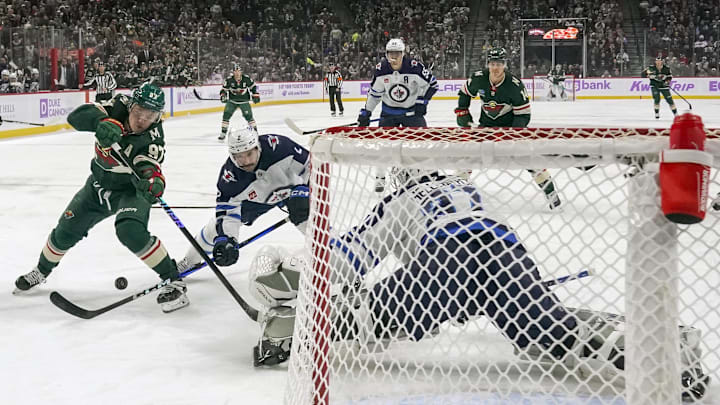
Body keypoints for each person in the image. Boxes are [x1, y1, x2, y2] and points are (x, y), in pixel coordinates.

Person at [323, 168, 708, 396]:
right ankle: (666, 357)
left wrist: (320, 282)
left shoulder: (401, 198)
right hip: (507, 255)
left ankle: (301, 329)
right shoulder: (467, 187)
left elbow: (355, 254)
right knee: (555, 332)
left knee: (362, 319)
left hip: (445, 261)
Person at [13, 82, 189, 313]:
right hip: (97, 185)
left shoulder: (153, 137)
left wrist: (153, 181)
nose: (142, 120)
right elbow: (76, 117)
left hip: (129, 191)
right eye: (139, 112)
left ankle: (173, 280)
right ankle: (41, 271)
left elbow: (149, 167)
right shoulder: (117, 106)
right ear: (131, 106)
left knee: (130, 231)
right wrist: (101, 122)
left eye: (150, 115)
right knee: (65, 231)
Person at [175, 126, 310, 274]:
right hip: (256, 201)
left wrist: (305, 190)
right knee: (213, 230)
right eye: (238, 156)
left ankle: (331, 249)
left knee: (308, 220)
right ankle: (189, 260)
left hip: (291, 190)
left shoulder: (279, 147)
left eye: (249, 154)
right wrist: (228, 239)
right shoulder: (230, 177)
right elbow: (227, 214)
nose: (245, 161)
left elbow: (311, 165)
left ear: (257, 147)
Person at [454, 47, 561, 210]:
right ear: (488, 64)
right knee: (468, 159)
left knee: (531, 161)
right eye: (492, 64)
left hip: (510, 129)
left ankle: (552, 196)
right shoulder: (478, 78)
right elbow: (464, 93)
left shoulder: (515, 86)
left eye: (499, 64)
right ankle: (456, 196)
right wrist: (462, 112)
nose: (495, 68)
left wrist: (512, 134)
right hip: (486, 128)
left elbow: (524, 116)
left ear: (504, 65)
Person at [357, 38, 438, 193]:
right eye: (390, 53)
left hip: (412, 113)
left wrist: (422, 101)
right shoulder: (381, 69)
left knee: (422, 142)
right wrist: (366, 112)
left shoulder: (414, 67)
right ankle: (380, 177)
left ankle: (423, 174)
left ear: (403, 54)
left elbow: (433, 85)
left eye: (397, 53)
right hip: (389, 113)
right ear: (386, 54)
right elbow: (374, 94)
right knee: (383, 145)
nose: (394, 57)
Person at [218, 64, 260, 141]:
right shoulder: (229, 80)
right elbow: (223, 89)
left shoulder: (246, 79)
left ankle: (255, 132)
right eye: (235, 71)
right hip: (232, 101)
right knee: (226, 115)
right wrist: (223, 95)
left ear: (241, 72)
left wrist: (255, 95)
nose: (237, 73)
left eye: (238, 71)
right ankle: (223, 133)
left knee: (249, 117)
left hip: (244, 101)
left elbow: (253, 87)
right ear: (233, 72)